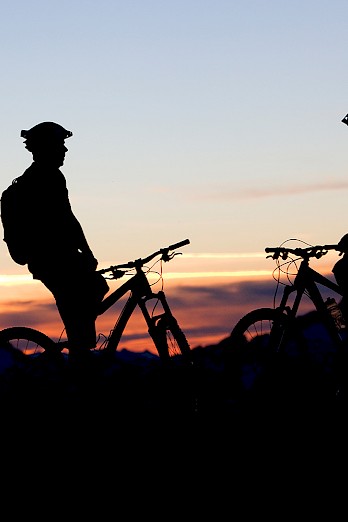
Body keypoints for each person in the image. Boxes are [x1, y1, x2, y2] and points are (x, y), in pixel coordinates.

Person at [16, 121, 109, 367]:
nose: (65, 150)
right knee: (94, 288)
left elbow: (67, 218)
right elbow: (65, 220)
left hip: (53, 260)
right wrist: (86, 252)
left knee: (92, 291)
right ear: (48, 147)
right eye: (61, 145)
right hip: (54, 261)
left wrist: (85, 252)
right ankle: (79, 361)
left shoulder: (46, 176)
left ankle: (81, 350)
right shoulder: (44, 178)